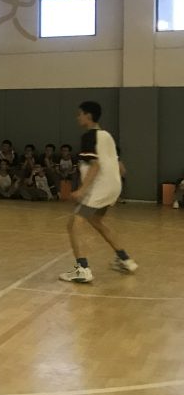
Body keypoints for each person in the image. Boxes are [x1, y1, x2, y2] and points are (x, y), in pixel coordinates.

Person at [59, 101, 137, 283]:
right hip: (113, 187)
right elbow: (121, 168)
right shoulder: (107, 136)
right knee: (96, 220)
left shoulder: (89, 137)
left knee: (74, 224)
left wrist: (81, 190)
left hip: (99, 188)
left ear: (88, 116)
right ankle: (125, 259)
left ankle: (82, 269)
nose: (77, 117)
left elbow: (95, 165)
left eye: (80, 114)